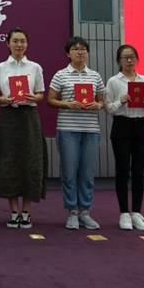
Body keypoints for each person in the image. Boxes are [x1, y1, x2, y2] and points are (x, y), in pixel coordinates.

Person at [0, 27, 47, 229]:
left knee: (31, 162)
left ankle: (26, 212)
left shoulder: (35, 67)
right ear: (8, 43)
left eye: (22, 41)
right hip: (8, 117)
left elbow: (41, 94)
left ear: (27, 44)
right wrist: (4, 99)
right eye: (15, 41)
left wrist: (34, 97)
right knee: (9, 161)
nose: (19, 44)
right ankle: (14, 212)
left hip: (29, 117)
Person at [47, 36, 105, 230]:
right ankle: (72, 211)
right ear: (68, 53)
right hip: (68, 129)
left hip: (91, 130)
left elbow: (102, 101)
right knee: (70, 172)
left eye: (83, 49)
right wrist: (68, 104)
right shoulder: (60, 75)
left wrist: (98, 105)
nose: (80, 52)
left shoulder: (95, 76)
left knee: (87, 173)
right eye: (75, 49)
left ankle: (85, 212)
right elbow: (50, 100)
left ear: (87, 53)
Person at [104, 44, 144, 231]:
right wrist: (121, 100)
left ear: (137, 59)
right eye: (125, 57)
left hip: (141, 126)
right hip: (121, 126)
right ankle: (124, 213)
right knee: (122, 170)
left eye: (132, 57)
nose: (129, 60)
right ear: (118, 61)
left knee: (139, 170)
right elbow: (108, 108)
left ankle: (136, 212)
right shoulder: (113, 81)